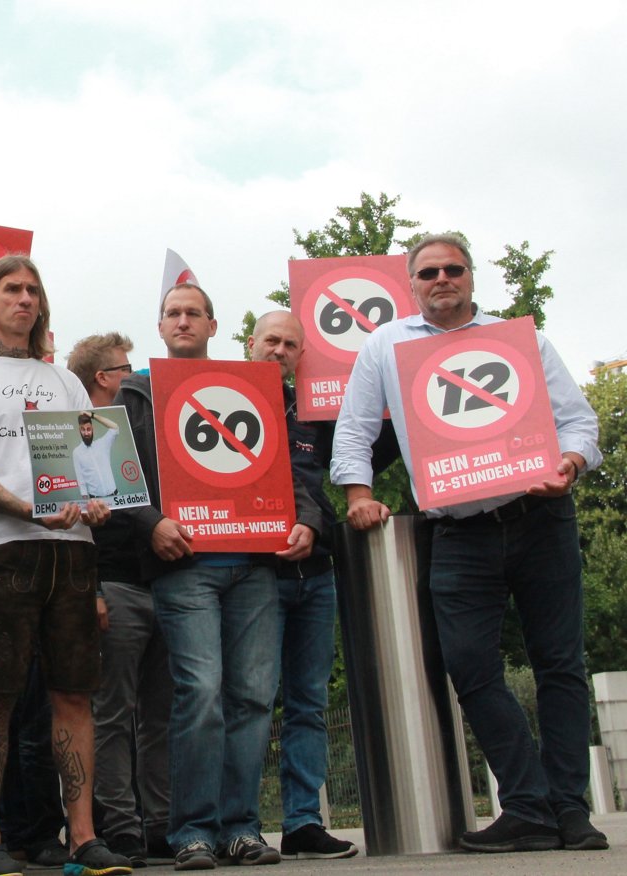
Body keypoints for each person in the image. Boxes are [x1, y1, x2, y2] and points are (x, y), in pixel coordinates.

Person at [331, 233, 608, 853]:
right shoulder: (385, 345)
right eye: (428, 272)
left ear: (472, 278)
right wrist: (356, 497)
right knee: (470, 667)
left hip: (540, 520)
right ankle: (530, 805)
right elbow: (352, 434)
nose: (442, 279)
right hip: (456, 532)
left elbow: (580, 421)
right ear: (411, 283)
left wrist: (568, 463)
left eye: (453, 269)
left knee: (561, 666)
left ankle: (570, 810)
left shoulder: (523, 340)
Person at [115, 283, 323, 871]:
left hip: (255, 565)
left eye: (194, 313)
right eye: (172, 314)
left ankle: (242, 828)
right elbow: (113, 471)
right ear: (160, 327)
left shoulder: (250, 386)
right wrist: (151, 523)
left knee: (254, 699)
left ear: (213, 325)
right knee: (201, 696)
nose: (183, 321)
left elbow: (290, 469)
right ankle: (193, 832)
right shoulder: (136, 390)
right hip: (184, 569)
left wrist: (307, 521)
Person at [0, 255, 130, 876]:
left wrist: (99, 501)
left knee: (75, 692)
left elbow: (94, 464)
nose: (24, 299)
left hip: (72, 552)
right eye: (11, 289)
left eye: (33, 290)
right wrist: (23, 508)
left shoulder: (65, 381)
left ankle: (84, 836)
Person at [246, 312, 358, 860]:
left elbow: (338, 471)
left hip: (315, 576)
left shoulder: (318, 413)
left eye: (290, 345)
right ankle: (238, 823)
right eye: (271, 340)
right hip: (253, 576)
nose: (279, 351)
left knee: (309, 703)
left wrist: (314, 524)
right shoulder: (220, 399)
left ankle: (302, 822)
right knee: (248, 702)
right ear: (251, 343)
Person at [68, 332, 174, 866]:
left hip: (166, 584)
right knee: (111, 713)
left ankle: (160, 822)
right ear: (105, 378)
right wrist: (94, 591)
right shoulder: (72, 436)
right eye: (126, 368)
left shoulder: (143, 431)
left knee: (161, 713)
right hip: (113, 585)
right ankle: (122, 825)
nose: (135, 376)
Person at [72, 410, 119, 499]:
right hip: (96, 501)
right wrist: (87, 503)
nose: (86, 433)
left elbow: (115, 428)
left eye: (88, 429)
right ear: (79, 430)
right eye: (83, 429)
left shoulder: (103, 443)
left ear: (92, 428)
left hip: (115, 497)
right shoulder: (76, 452)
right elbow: (81, 481)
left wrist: (92, 415)